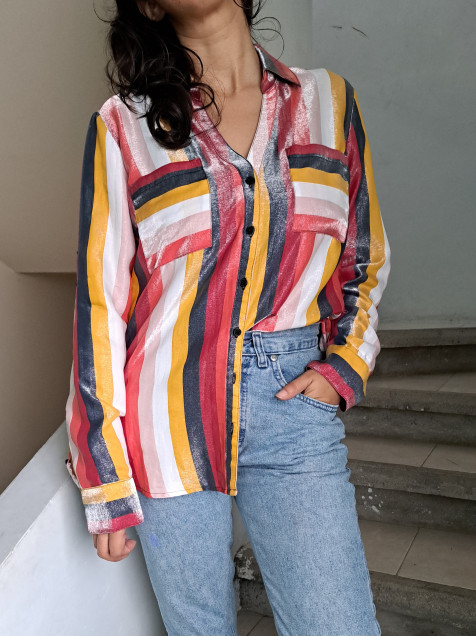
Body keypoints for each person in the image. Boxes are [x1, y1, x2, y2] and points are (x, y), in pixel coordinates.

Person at [64, 0, 390, 634]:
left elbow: (364, 256)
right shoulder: (123, 127)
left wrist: (346, 365)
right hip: (165, 418)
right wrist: (104, 474)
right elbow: (99, 305)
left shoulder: (329, 103)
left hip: (294, 407)